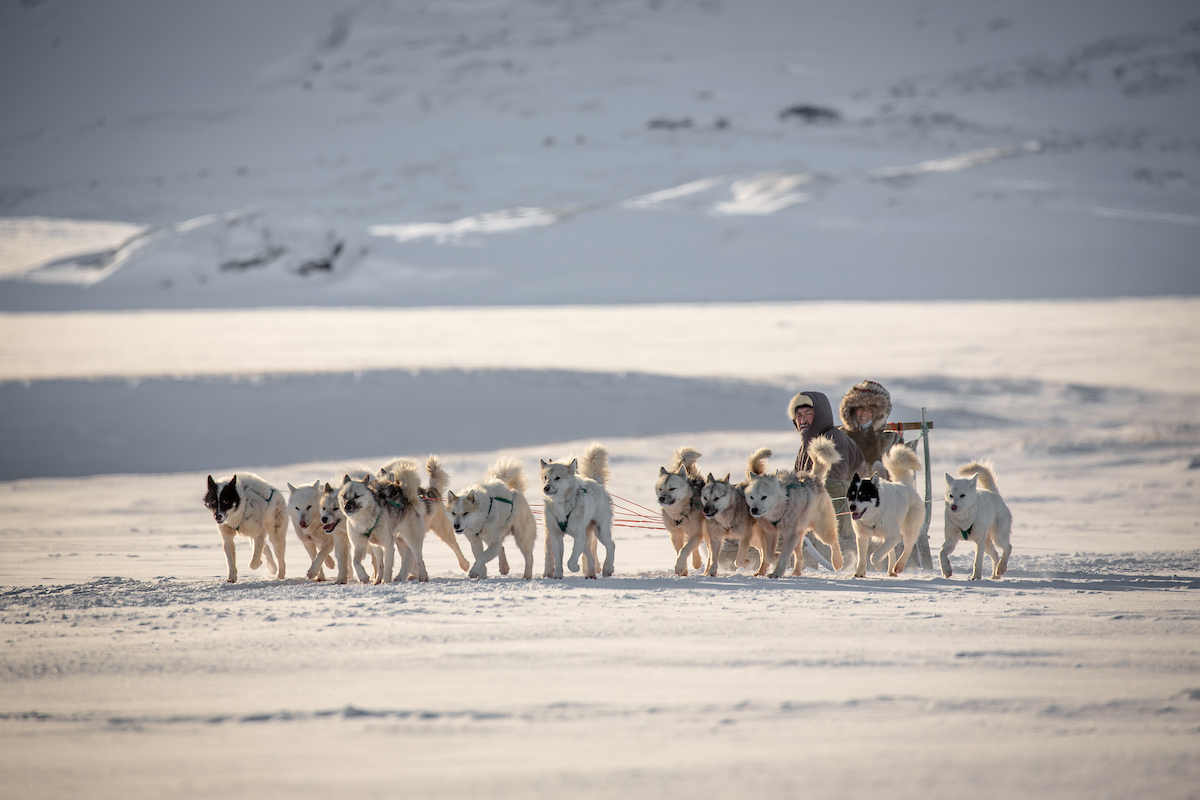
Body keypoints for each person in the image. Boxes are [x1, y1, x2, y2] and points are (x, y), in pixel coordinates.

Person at [787, 390, 867, 562]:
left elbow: (832, 485)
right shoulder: (805, 445)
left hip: (848, 508)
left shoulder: (833, 438)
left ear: (820, 415)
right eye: (798, 415)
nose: (802, 420)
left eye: (808, 414)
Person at [838, 380, 904, 479]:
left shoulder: (890, 440)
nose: (865, 412)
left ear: (878, 413)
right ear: (852, 410)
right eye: (860, 407)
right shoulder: (840, 436)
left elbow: (899, 476)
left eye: (870, 409)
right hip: (844, 492)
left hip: (880, 491)